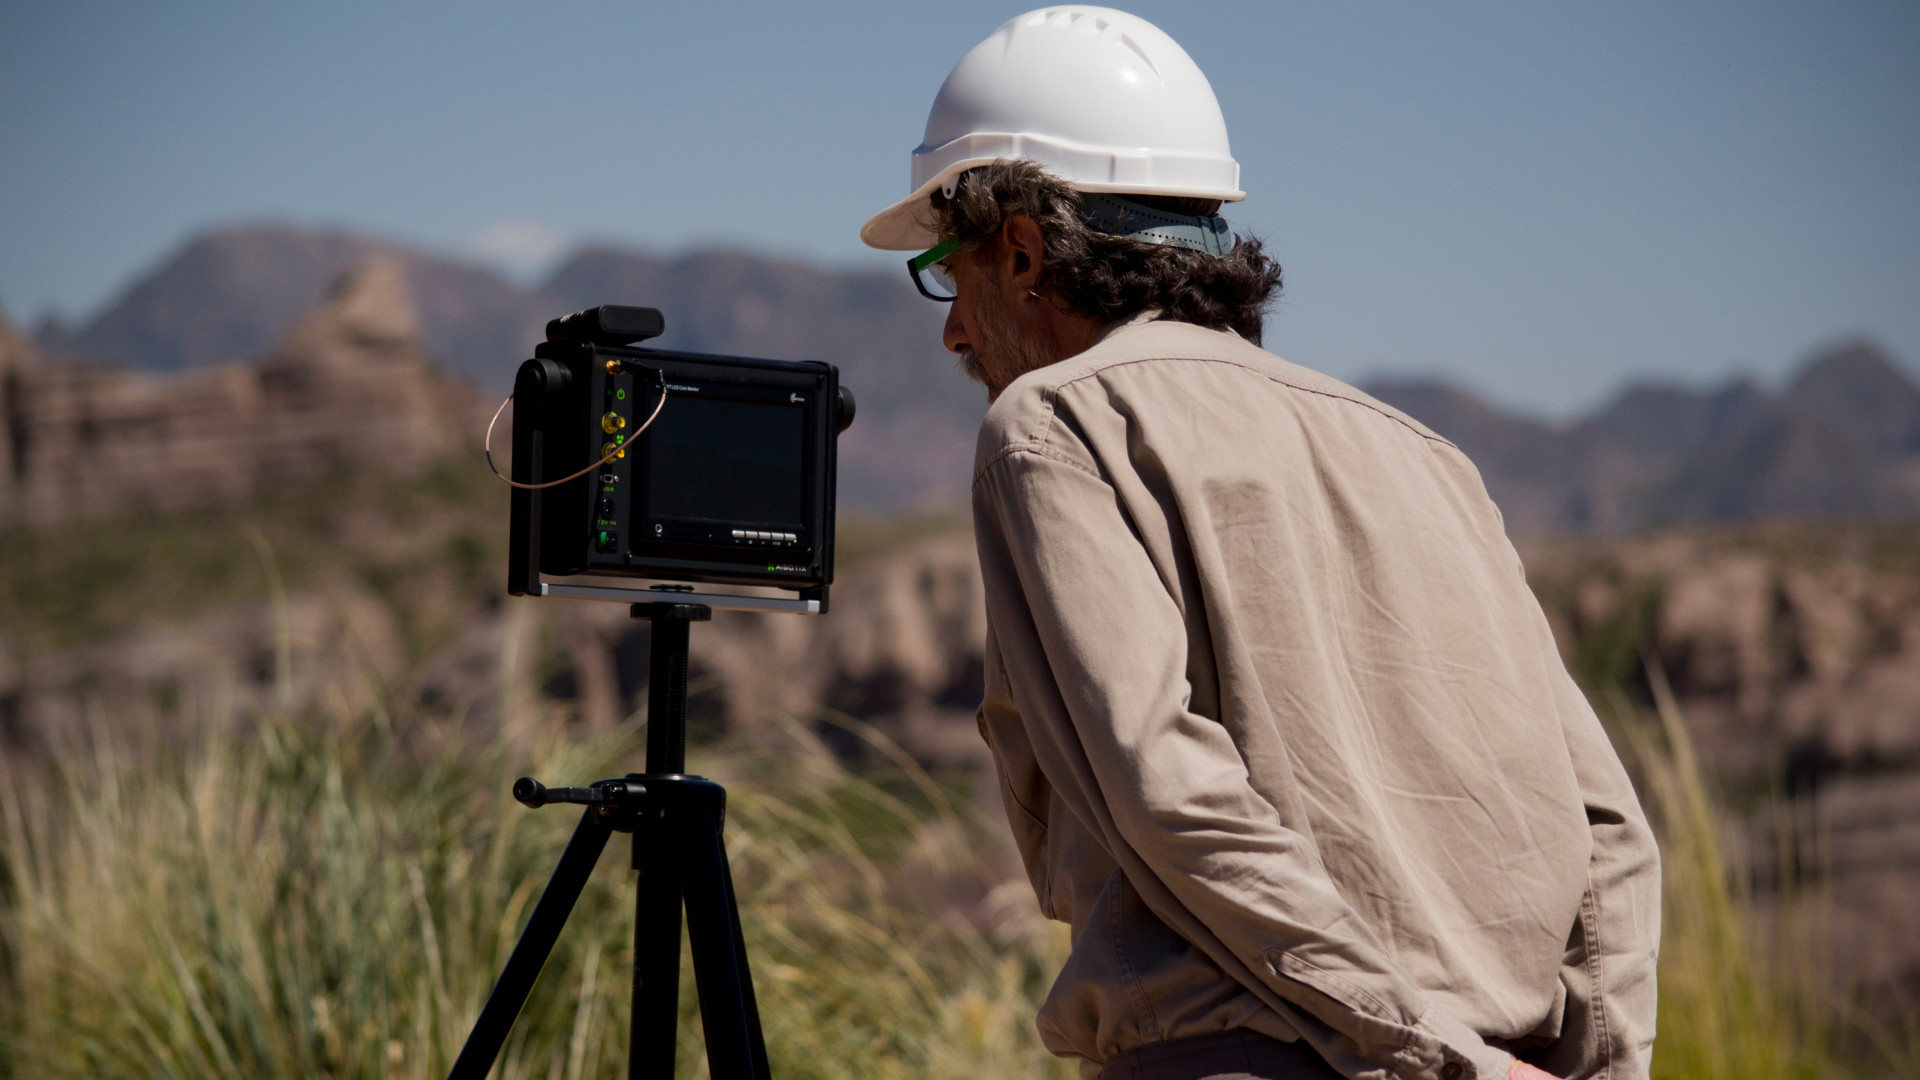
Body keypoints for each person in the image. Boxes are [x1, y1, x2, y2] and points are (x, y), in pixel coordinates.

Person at [859, 8, 1661, 1080]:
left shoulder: (1054, 426)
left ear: (1022, 250)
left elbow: (1168, 790)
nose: (955, 330)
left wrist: (1422, 1052)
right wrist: (1593, 1068)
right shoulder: (1427, 457)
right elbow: (1608, 826)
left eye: (951, 275)